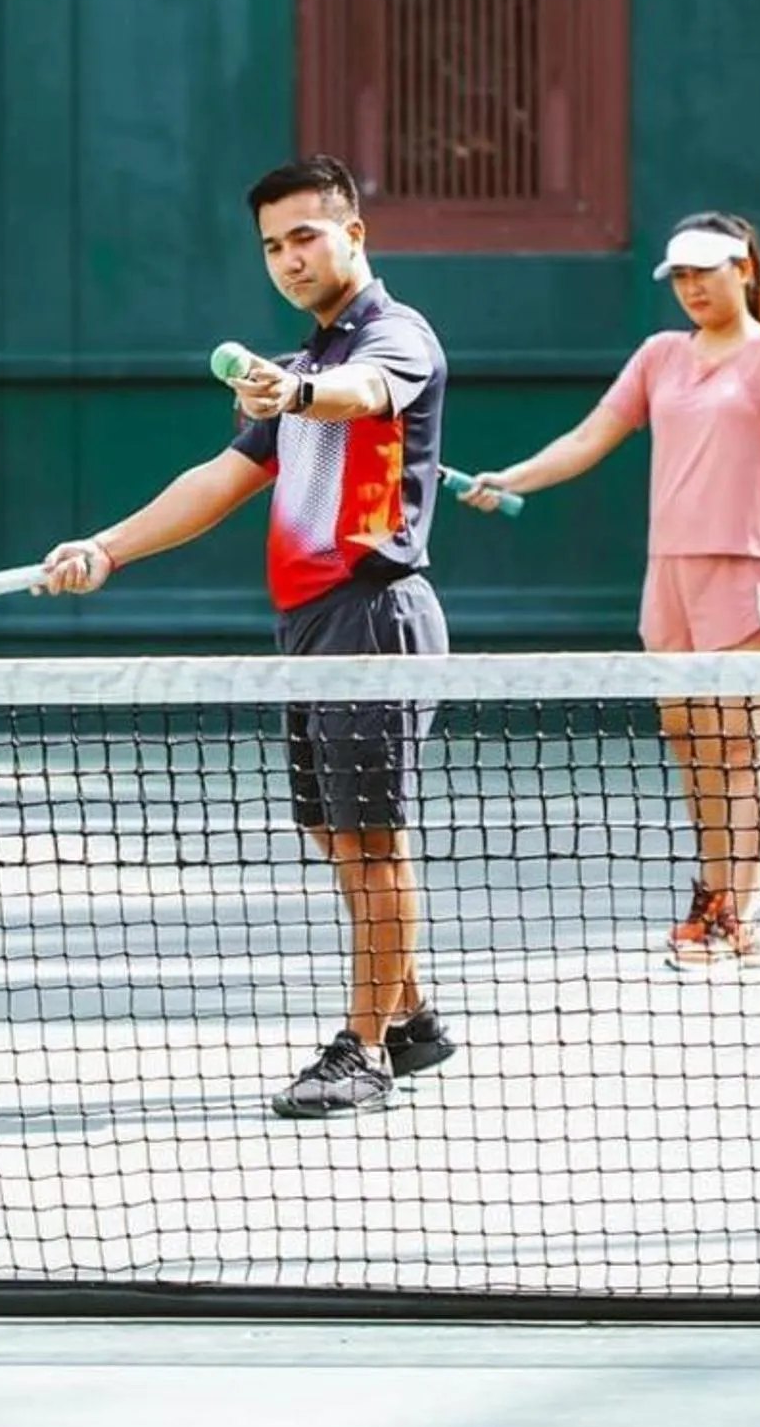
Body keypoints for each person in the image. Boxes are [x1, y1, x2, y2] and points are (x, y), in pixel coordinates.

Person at [38, 154, 457, 1119]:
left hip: (373, 615)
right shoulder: (297, 367)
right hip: (308, 626)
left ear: (355, 233)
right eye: (272, 245)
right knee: (333, 831)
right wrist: (107, 549)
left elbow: (363, 394)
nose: (289, 259)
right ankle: (412, 1015)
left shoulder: (396, 339)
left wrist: (298, 395)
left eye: (307, 235)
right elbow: (216, 483)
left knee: (372, 841)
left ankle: (366, 1053)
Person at [457, 212, 760, 970]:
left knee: (739, 750)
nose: (690, 288)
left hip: (749, 572)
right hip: (669, 577)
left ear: (744, 268)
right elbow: (588, 438)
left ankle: (739, 913)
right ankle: (712, 897)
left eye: (704, 272)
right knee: (692, 747)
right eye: (679, 276)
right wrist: (510, 477)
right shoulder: (657, 357)